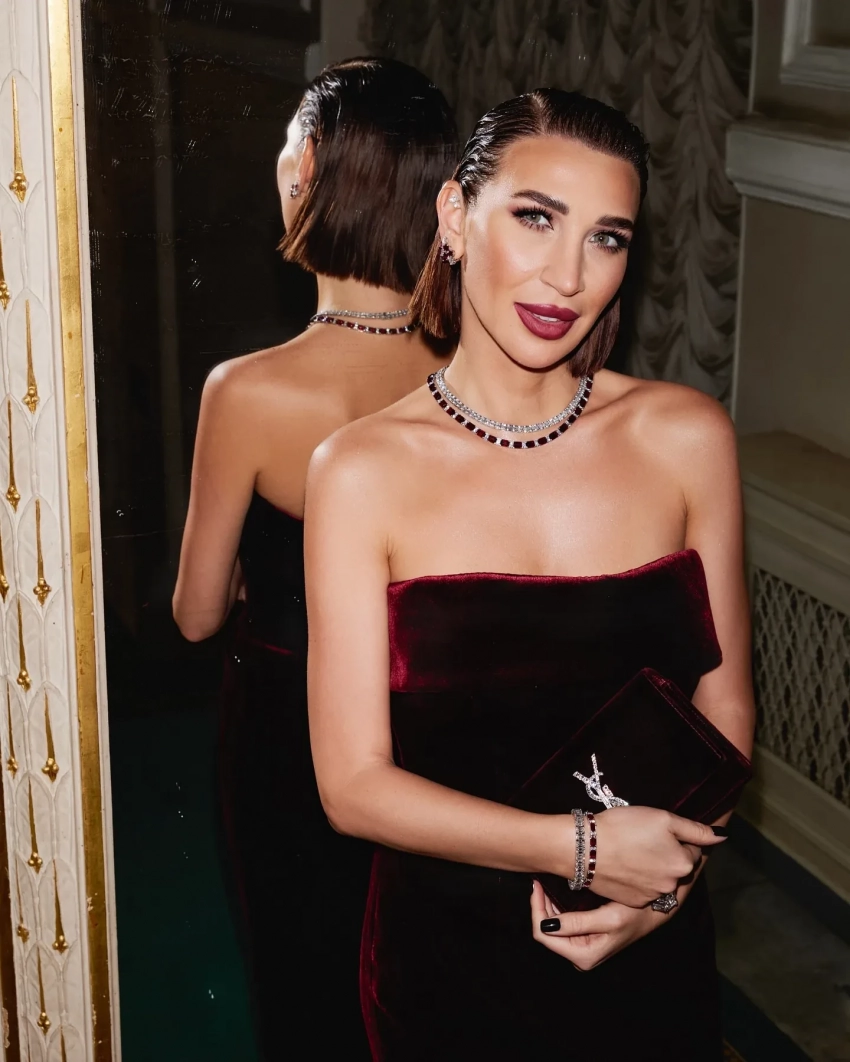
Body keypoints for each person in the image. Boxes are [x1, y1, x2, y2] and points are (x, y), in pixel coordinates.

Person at [304, 89, 755, 1061]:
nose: (568, 276)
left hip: (649, 944)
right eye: (536, 218)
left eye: (607, 238)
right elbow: (352, 785)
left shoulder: (685, 437)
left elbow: (722, 713)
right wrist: (581, 849)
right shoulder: (358, 471)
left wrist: (661, 895)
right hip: (445, 965)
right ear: (454, 217)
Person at [172, 58, 457, 1060]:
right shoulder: (472, 371)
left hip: (287, 733)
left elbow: (196, 614)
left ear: (309, 176)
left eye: (294, 133)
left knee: (304, 982)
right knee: (425, 975)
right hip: (435, 722)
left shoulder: (246, 393)